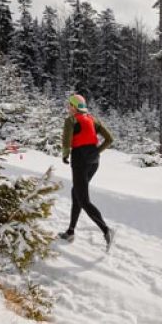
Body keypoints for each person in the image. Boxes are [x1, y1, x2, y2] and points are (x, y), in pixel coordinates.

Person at [59, 93, 115, 250]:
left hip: (80, 161)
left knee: (83, 200)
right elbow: (110, 138)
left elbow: (66, 140)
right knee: (76, 193)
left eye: (69, 105)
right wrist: (97, 151)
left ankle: (106, 230)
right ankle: (70, 232)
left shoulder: (71, 120)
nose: (68, 108)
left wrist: (65, 155)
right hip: (94, 162)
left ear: (74, 106)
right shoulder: (92, 119)